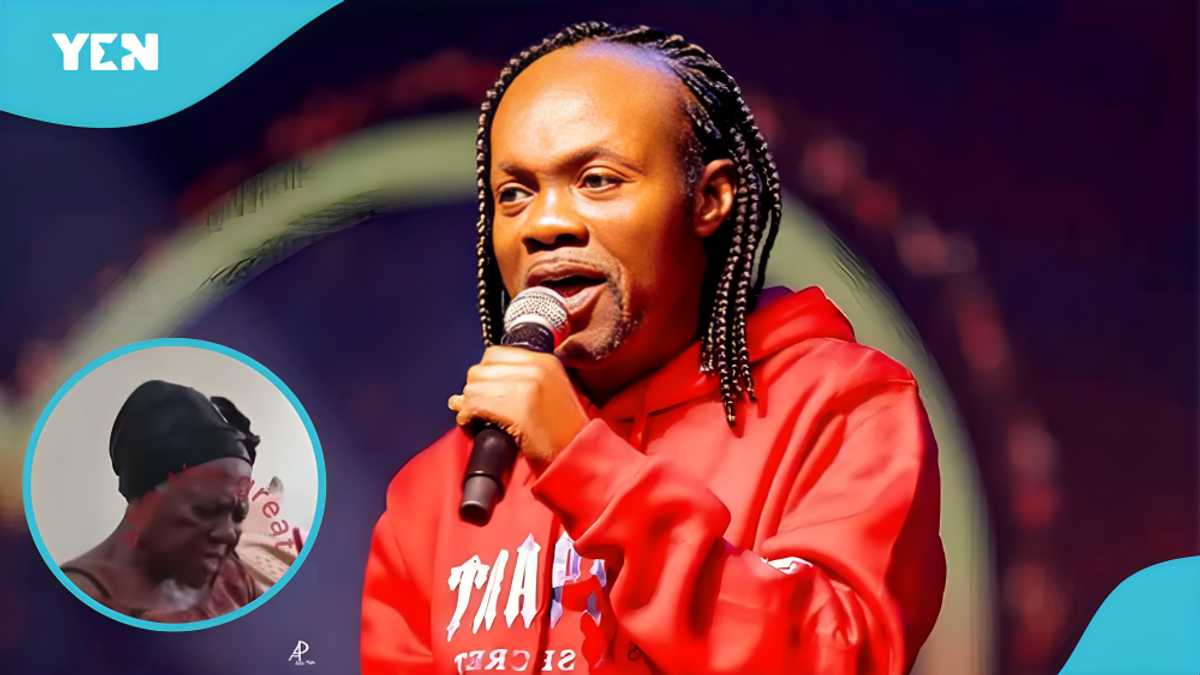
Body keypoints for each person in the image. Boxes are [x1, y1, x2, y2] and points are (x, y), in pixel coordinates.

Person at [362, 21, 945, 674]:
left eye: (597, 179)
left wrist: (583, 464)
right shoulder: (436, 491)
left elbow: (838, 657)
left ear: (709, 199)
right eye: (515, 194)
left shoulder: (842, 408)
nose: (545, 224)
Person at [61, 379, 261, 622]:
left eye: (239, 514)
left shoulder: (232, 578)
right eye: (207, 510)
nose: (229, 533)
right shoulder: (73, 603)